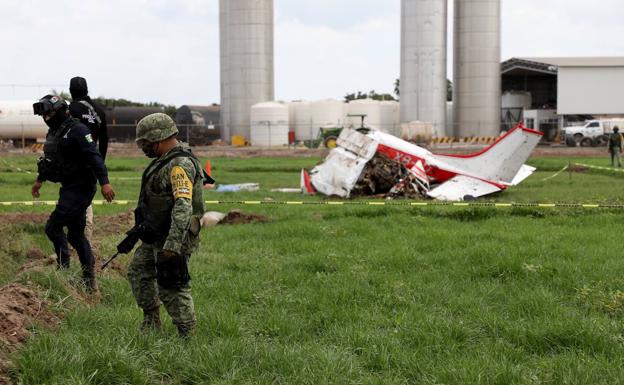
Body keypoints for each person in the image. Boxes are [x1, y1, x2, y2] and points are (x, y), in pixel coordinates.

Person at [125, 113, 210, 336]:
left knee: (172, 284)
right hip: (157, 234)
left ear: (158, 138)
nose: (144, 148)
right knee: (139, 271)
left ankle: (187, 335)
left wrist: (172, 246)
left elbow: (183, 206)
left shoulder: (180, 164)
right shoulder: (164, 162)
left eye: (146, 143)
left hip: (175, 236)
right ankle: (151, 321)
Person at [31, 95, 115, 292]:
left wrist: (105, 183)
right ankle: (88, 280)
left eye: (49, 113)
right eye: (43, 114)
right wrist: (39, 181)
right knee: (76, 235)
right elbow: (49, 160)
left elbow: (95, 157)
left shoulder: (78, 130)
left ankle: (64, 268)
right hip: (68, 187)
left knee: (53, 227)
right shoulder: (54, 132)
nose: (46, 117)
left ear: (61, 110)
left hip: (82, 187)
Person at [68, 76, 109, 244]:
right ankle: (87, 241)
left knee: (71, 203)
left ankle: (77, 244)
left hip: (74, 164)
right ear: (86, 90)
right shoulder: (99, 110)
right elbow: (105, 141)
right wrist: (98, 163)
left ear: (71, 91)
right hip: (92, 164)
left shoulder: (71, 109)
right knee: (87, 203)